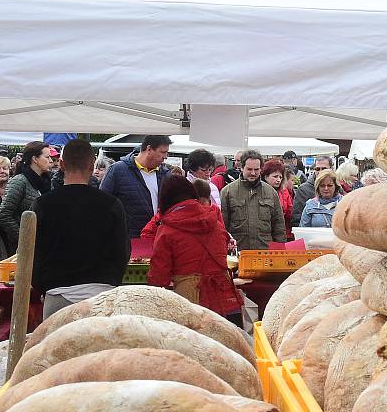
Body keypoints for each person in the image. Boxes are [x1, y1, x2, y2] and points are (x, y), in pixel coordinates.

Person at [32, 139, 130, 319]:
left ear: (61, 164)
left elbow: (33, 253)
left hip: (57, 294)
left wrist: (42, 286)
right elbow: (122, 252)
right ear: (92, 165)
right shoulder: (111, 204)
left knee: (57, 347)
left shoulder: (42, 204)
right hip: (103, 297)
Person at [147, 176, 243, 326]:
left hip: (191, 301)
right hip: (226, 298)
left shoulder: (167, 230)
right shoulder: (215, 223)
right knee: (231, 347)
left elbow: (159, 278)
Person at [99, 135, 171, 237]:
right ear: (149, 149)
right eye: (163, 152)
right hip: (128, 239)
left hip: (157, 237)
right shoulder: (117, 170)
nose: (166, 156)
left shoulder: (166, 174)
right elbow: (103, 205)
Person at [220, 150, 286, 251]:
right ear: (242, 168)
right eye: (249, 169)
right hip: (239, 252)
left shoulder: (270, 192)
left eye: (256, 169)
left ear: (261, 169)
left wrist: (280, 251)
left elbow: (279, 226)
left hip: (265, 253)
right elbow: (222, 226)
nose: (253, 173)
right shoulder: (228, 192)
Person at [0, 141, 52, 249]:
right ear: (35, 159)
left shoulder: (47, 181)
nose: (50, 161)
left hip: (43, 243)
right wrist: (24, 238)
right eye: (47, 157)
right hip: (23, 247)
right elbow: (4, 215)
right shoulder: (19, 181)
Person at [292, 156, 333, 226]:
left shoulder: (337, 188)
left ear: (331, 169)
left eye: (324, 169)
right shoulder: (304, 190)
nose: (320, 172)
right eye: (317, 169)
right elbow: (297, 218)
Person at [262, 159, 294, 240]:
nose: (278, 180)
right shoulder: (260, 192)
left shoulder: (284, 192)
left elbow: (290, 213)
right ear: (266, 177)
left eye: (280, 177)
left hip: (282, 233)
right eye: (275, 176)